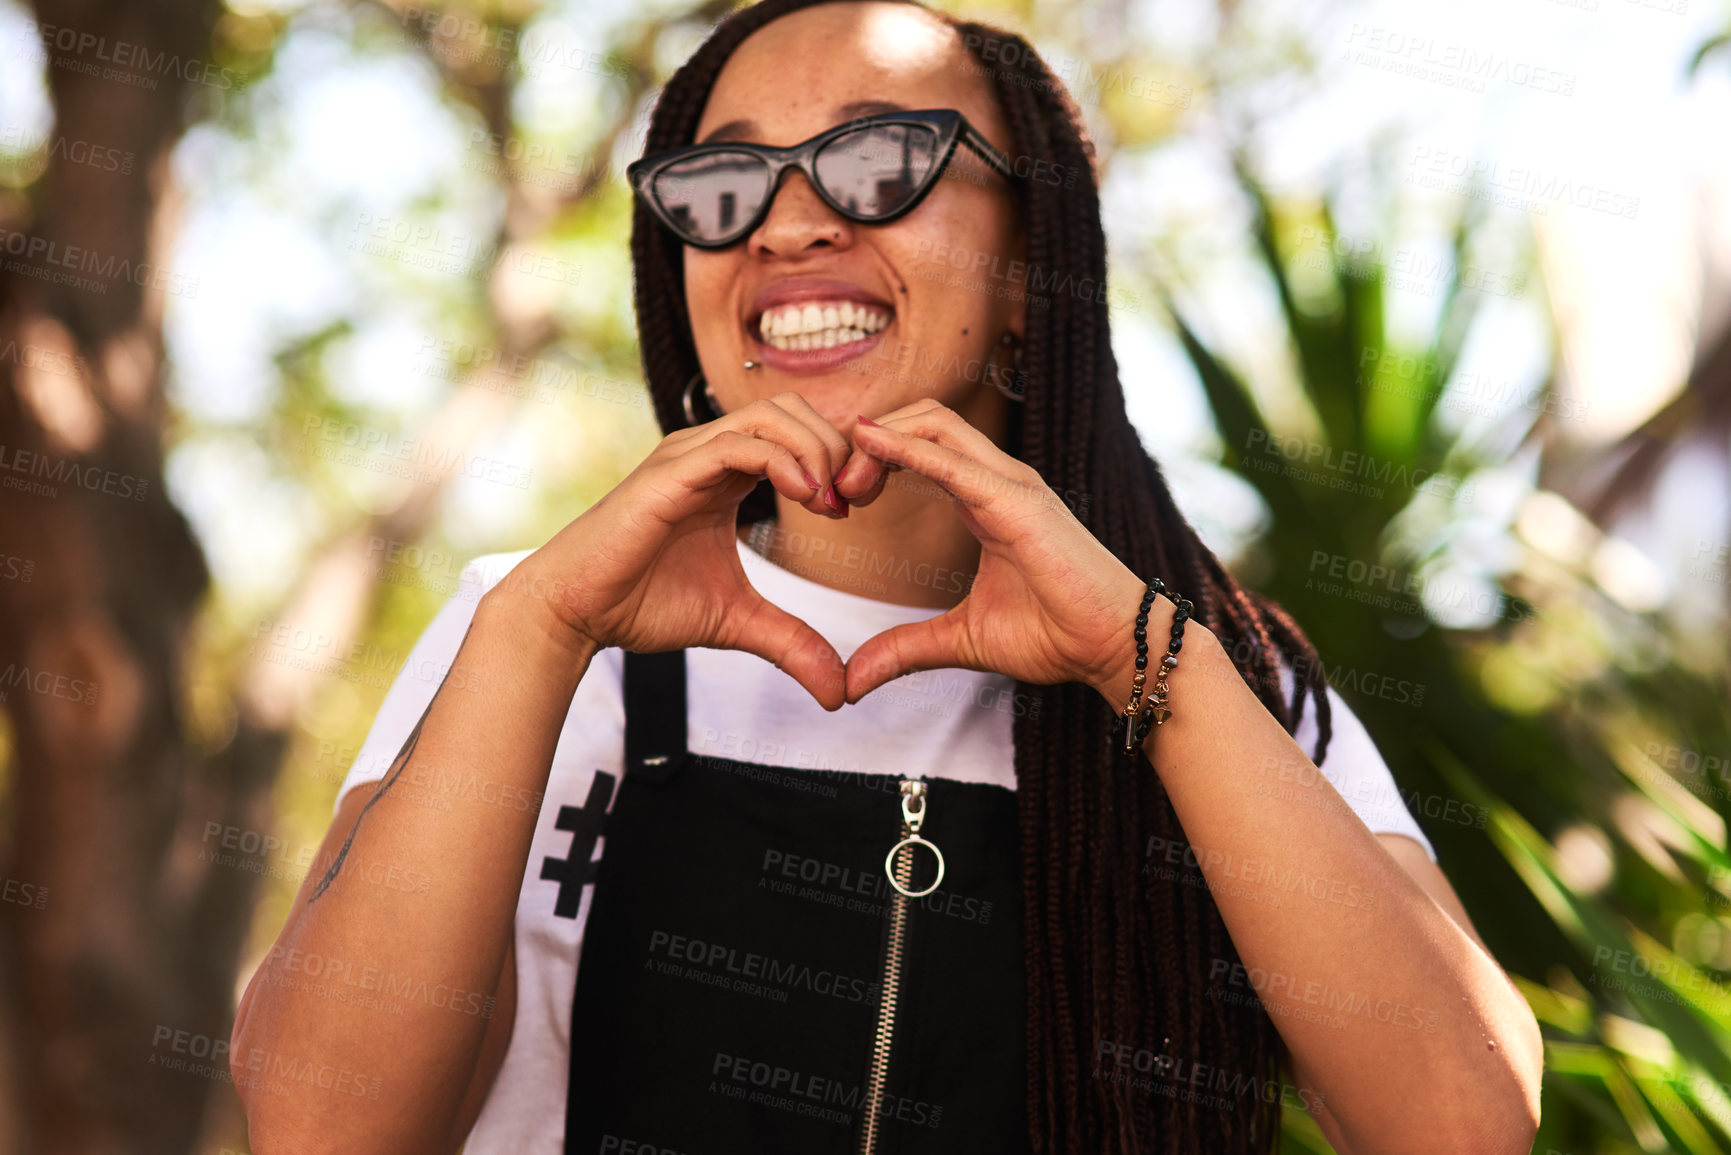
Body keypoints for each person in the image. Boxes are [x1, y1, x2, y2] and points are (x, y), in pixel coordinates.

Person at [231, 0, 1544, 1151]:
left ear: (1032, 268)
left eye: (879, 162)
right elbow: (323, 1129)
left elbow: (1460, 1122)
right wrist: (540, 631)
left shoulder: (1221, 674)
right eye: (723, 183)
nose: (788, 224)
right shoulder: (532, 633)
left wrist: (1149, 671)